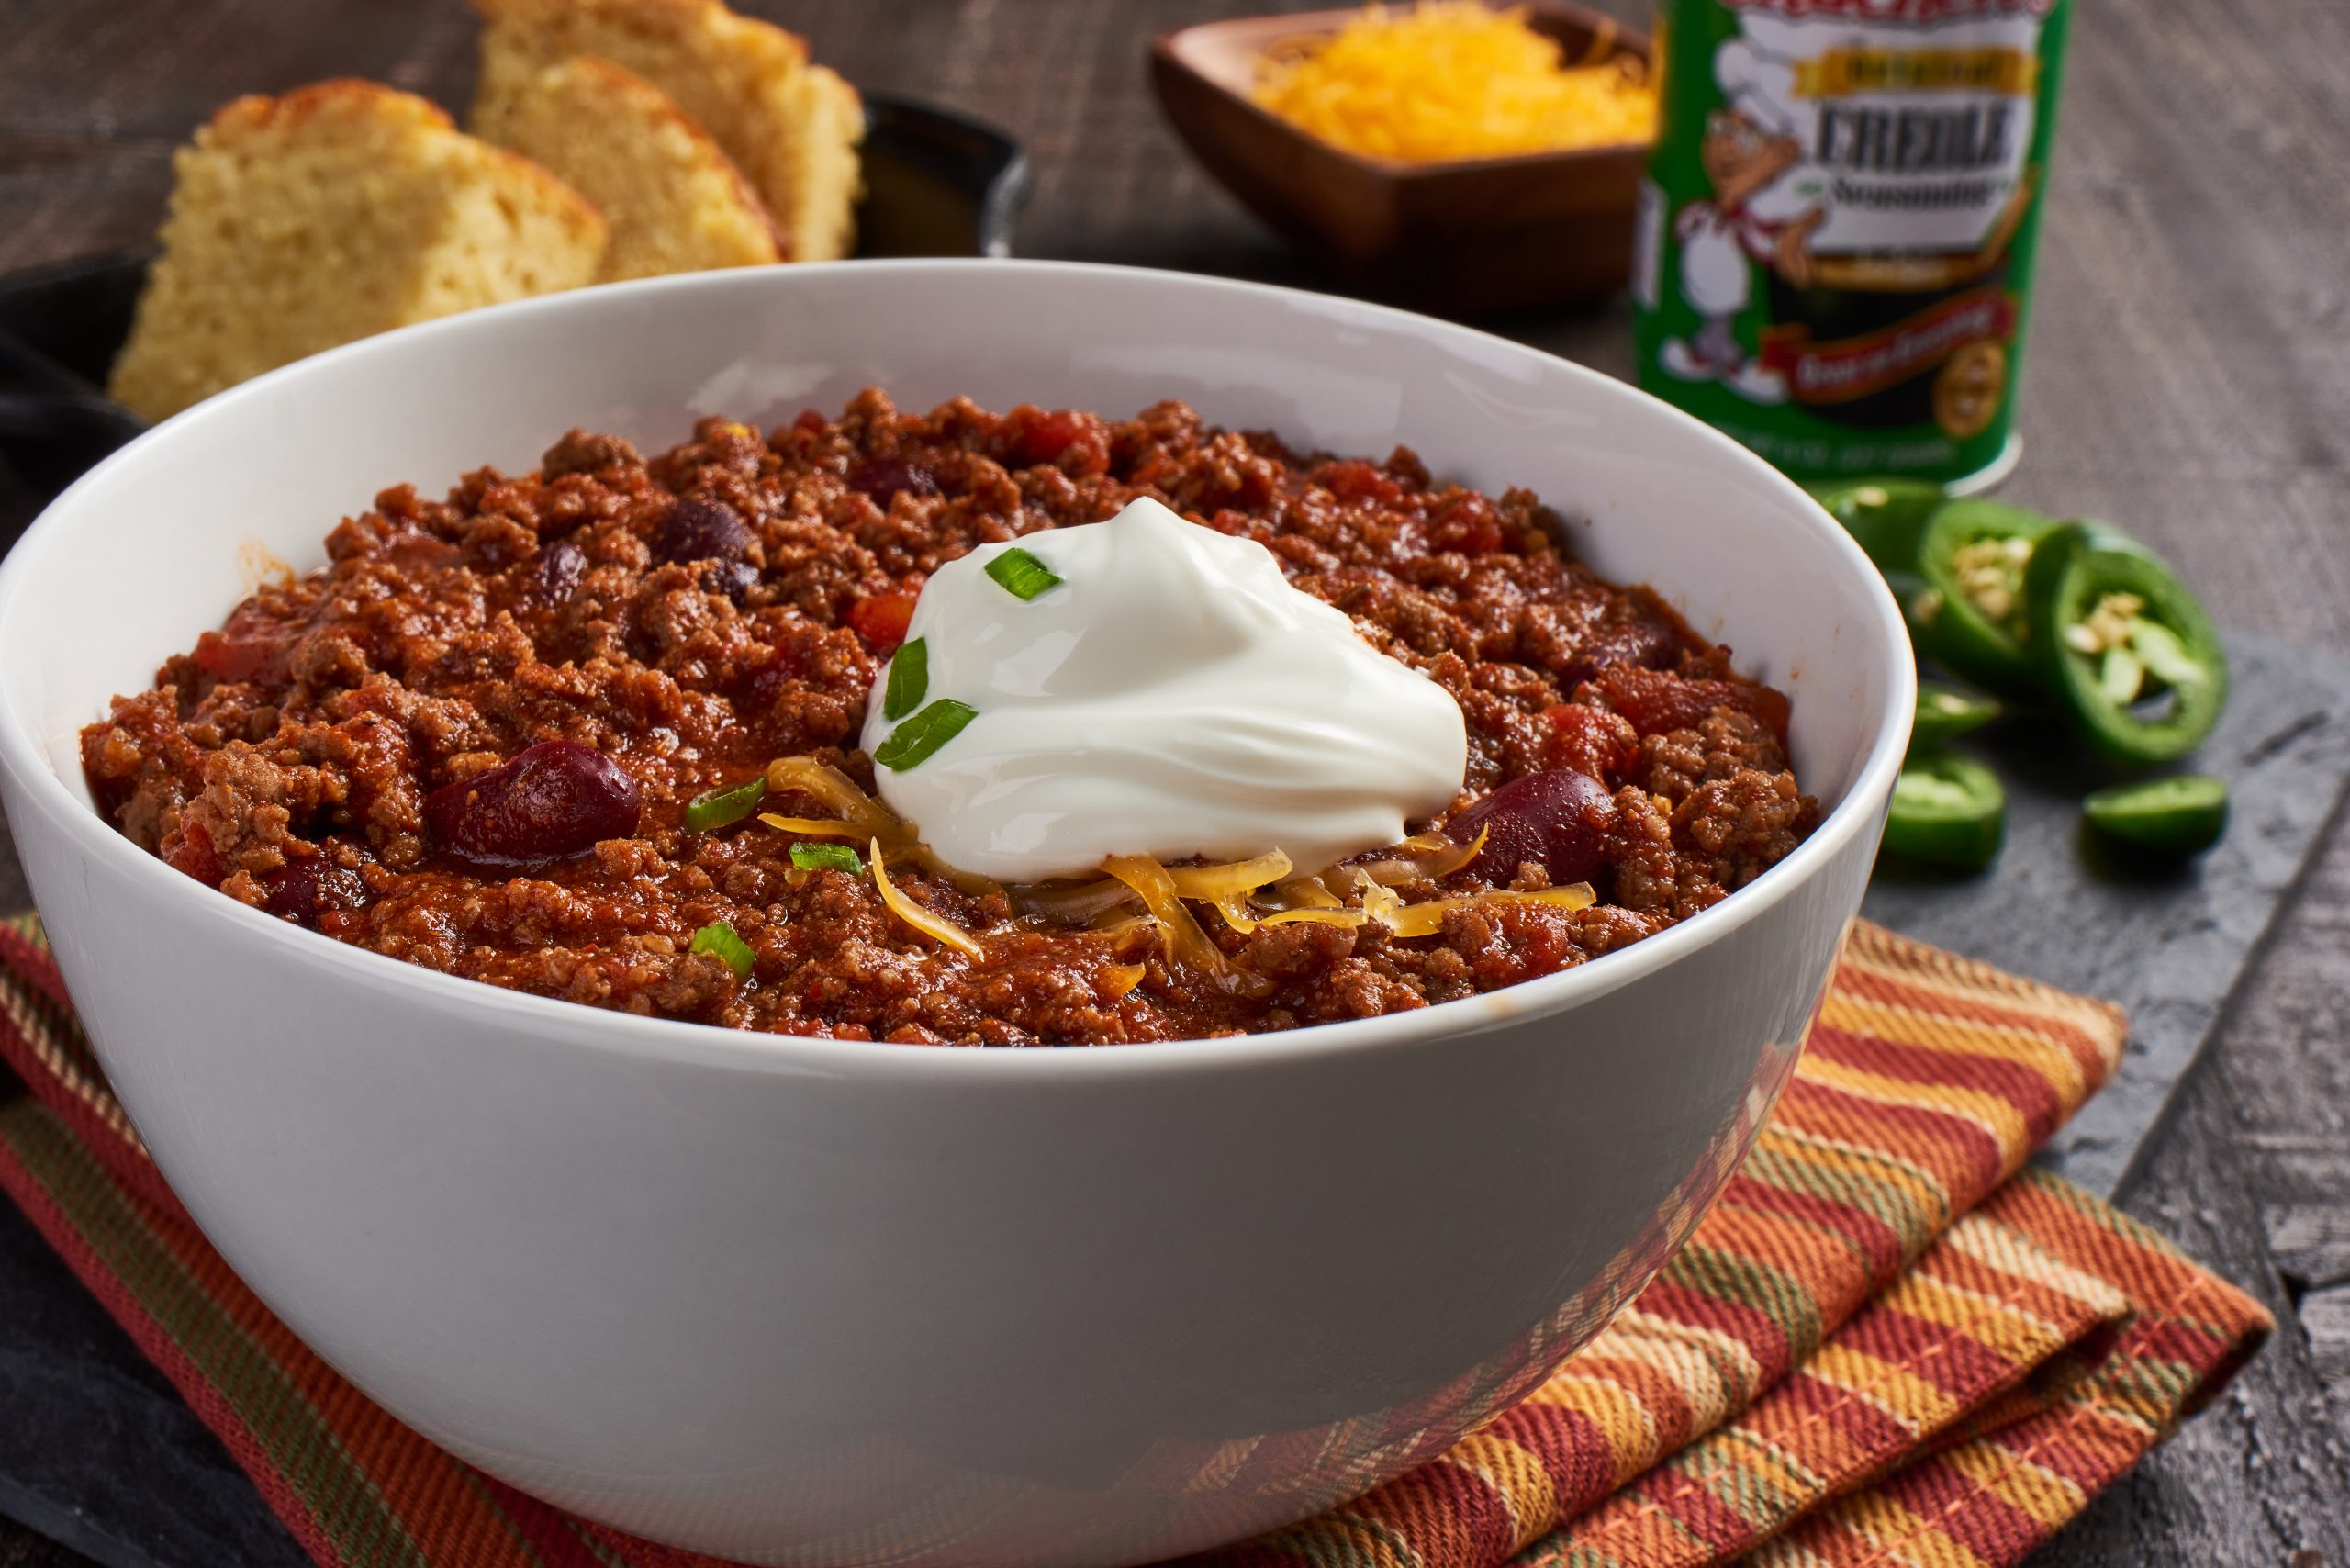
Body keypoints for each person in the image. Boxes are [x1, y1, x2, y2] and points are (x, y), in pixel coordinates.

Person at [1657, 60, 1824, 404]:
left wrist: (1793, 235)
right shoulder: (1709, 209)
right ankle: (1706, 351)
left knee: (1726, 314)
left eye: (1746, 137)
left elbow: (1765, 246)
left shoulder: (1753, 218)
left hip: (1734, 289)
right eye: (1722, 129)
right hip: (1694, 291)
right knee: (1708, 311)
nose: (1726, 147)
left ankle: (1732, 358)